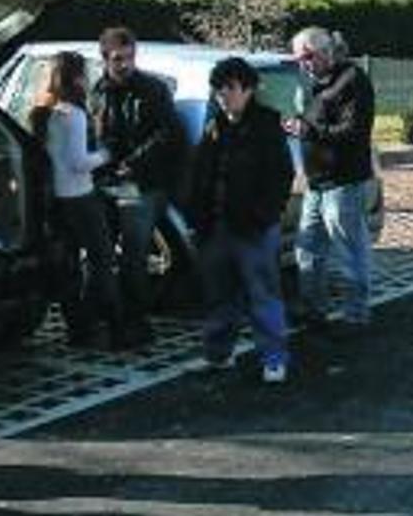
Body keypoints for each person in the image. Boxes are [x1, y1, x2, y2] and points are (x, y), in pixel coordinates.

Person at [189, 56, 295, 383]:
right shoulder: (214, 127)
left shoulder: (266, 126)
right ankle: (219, 354)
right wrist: (198, 218)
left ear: (248, 90)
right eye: (219, 88)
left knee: (262, 294)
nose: (224, 94)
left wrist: (264, 216)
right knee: (220, 296)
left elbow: (282, 176)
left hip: (254, 228)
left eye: (231, 88)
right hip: (217, 226)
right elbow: (200, 175)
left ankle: (274, 358)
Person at [89, 26, 180, 346]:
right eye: (118, 59)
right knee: (100, 253)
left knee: (133, 255)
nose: (125, 64)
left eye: (129, 58)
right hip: (107, 181)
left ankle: (136, 323)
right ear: (105, 59)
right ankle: (107, 318)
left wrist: (134, 163)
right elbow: (95, 134)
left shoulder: (152, 89)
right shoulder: (98, 91)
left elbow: (168, 134)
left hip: (142, 184)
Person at [284, 26, 377, 329]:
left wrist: (308, 130)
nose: (303, 64)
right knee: (307, 249)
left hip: (344, 182)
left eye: (307, 57)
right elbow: (316, 120)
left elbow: (354, 131)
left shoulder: (352, 80)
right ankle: (312, 309)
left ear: (325, 51)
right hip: (316, 182)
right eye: (299, 58)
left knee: (350, 251)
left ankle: (355, 315)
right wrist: (298, 124)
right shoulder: (316, 83)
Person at [29, 51, 124, 348]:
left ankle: (78, 327)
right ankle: (108, 323)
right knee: (102, 258)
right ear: (77, 78)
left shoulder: (48, 112)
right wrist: (108, 153)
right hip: (80, 197)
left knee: (68, 264)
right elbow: (78, 162)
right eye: (85, 73)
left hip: (57, 200)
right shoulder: (75, 114)